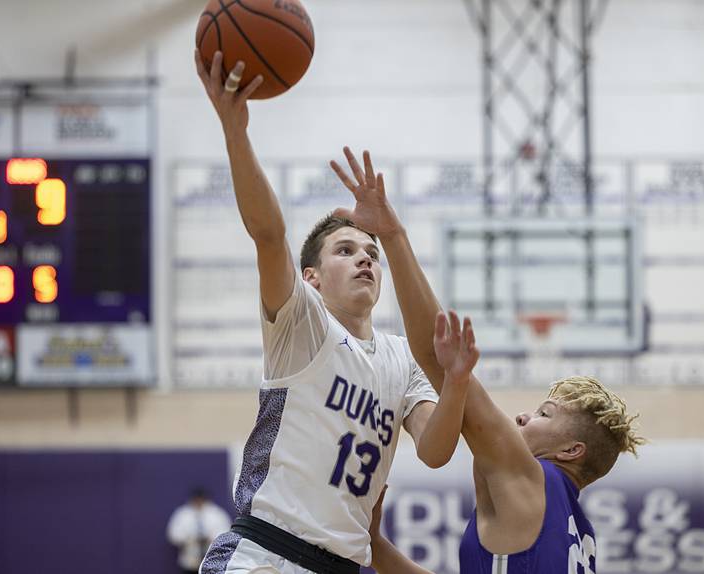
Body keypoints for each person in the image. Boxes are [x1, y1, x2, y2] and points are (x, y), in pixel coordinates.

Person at [194, 51, 474, 574]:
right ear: (311, 278)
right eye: (344, 250)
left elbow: (436, 452)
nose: (364, 257)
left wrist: (456, 381)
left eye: (370, 252)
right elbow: (268, 234)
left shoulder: (402, 357)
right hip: (265, 555)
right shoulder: (302, 323)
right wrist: (235, 130)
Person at [328, 149, 646, 573]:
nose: (522, 416)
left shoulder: (535, 481)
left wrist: (393, 235)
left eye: (544, 415)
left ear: (571, 450)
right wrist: (377, 546)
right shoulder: (579, 534)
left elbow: (434, 359)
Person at [167, 487, 232, 574]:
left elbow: (227, 533)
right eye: (196, 499)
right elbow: (173, 535)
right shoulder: (182, 514)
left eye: (201, 499)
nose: (199, 501)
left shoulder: (217, 514)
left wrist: (212, 539)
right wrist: (188, 539)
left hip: (212, 561)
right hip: (190, 561)